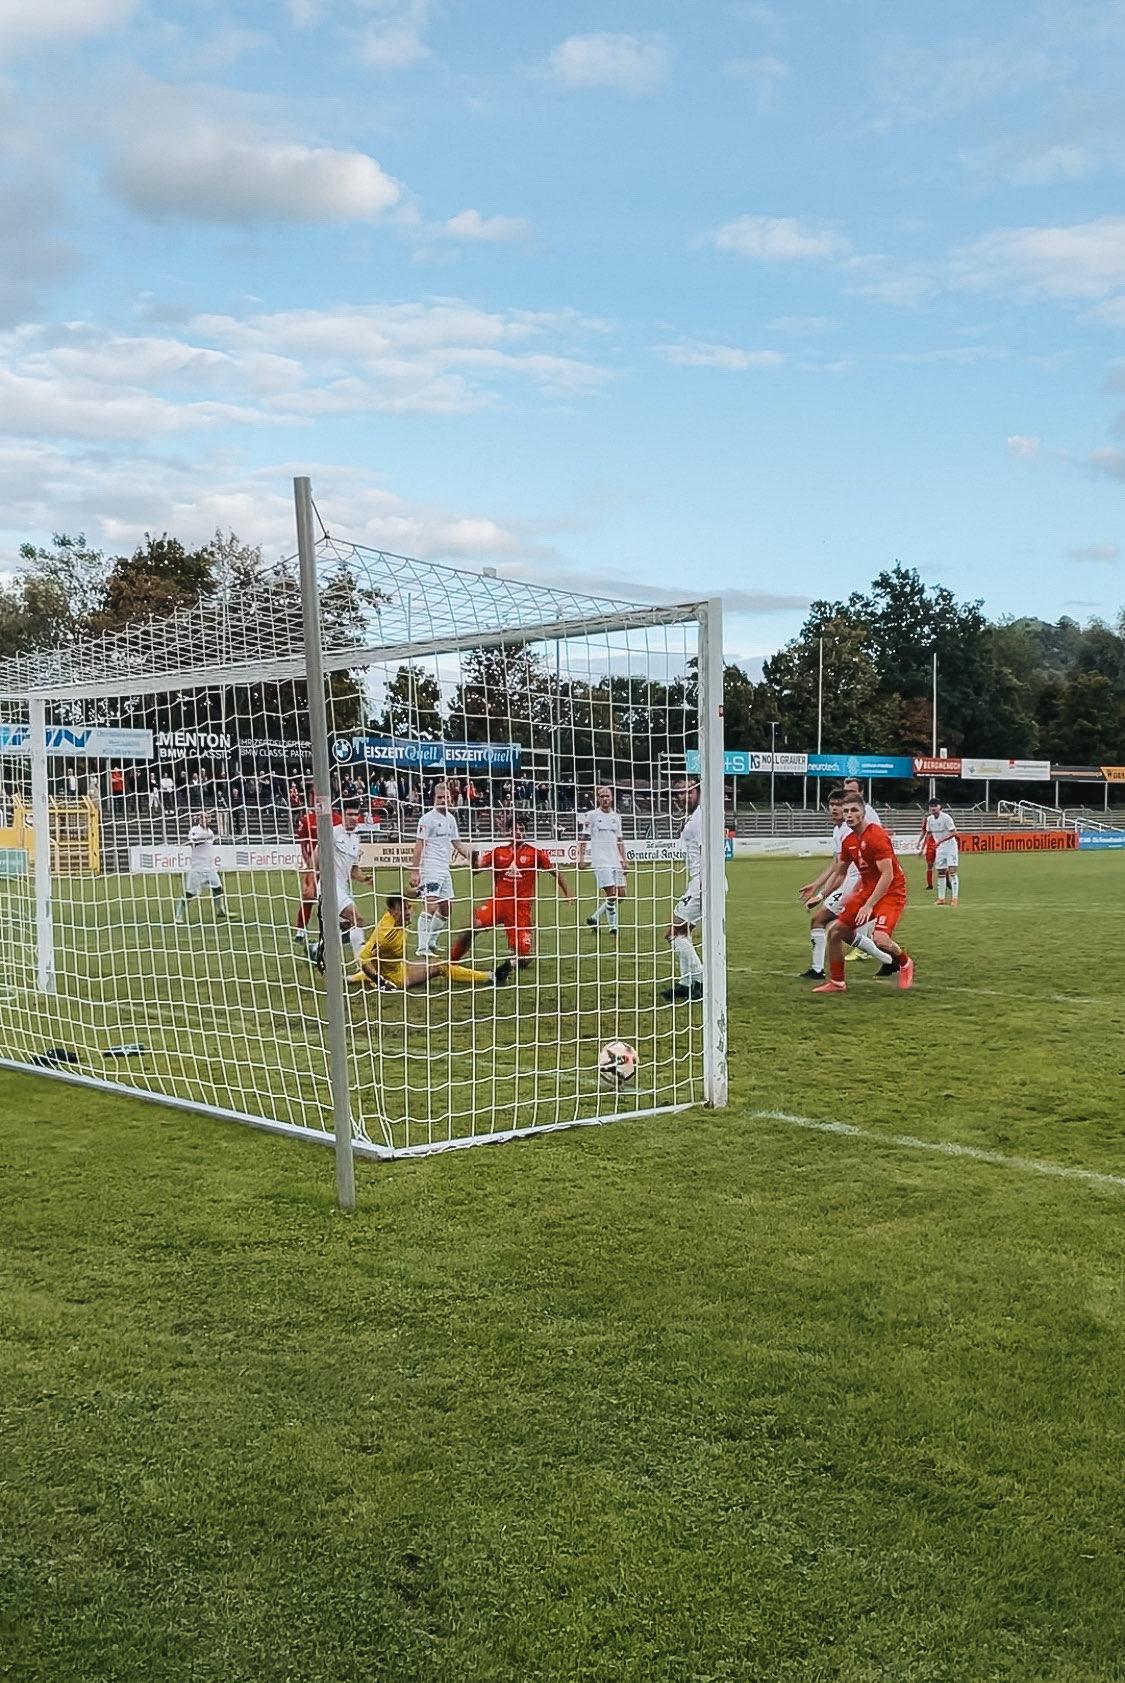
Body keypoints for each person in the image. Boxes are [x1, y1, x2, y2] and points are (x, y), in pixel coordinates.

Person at [811, 795, 914, 993]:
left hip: (891, 891)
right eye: (846, 811)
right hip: (868, 890)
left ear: (863, 813)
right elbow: (840, 873)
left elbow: (887, 874)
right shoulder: (848, 841)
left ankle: (905, 963)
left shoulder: (877, 836)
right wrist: (821, 894)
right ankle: (837, 982)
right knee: (835, 932)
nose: (849, 815)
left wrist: (869, 905)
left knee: (880, 939)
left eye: (854, 810)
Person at [450, 815, 571, 970]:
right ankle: (452, 961)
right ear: (508, 831)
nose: (518, 832)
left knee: (523, 959)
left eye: (522, 829)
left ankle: (511, 962)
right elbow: (476, 870)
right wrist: (473, 859)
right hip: (499, 902)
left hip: (521, 908)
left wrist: (567, 894)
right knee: (473, 925)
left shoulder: (535, 853)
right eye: (515, 829)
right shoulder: (498, 852)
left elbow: (556, 872)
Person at [798, 789, 887, 978]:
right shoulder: (838, 830)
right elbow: (837, 865)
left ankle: (818, 970)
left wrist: (822, 894)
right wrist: (816, 886)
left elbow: (845, 868)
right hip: (848, 883)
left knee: (824, 923)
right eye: (831, 805)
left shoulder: (849, 830)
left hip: (855, 885)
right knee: (839, 930)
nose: (834, 809)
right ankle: (889, 960)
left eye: (839, 805)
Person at [347, 895, 511, 991]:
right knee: (441, 966)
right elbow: (363, 959)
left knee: (419, 963)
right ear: (391, 911)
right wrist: (381, 982)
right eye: (403, 910)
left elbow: (406, 895)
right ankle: (491, 977)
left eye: (409, 907)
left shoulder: (395, 917)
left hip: (397, 966)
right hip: (396, 978)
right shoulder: (386, 934)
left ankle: (352, 978)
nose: (408, 912)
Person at [411, 779, 474, 957]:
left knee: (446, 908)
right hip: (430, 868)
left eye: (445, 797)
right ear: (434, 799)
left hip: (444, 869)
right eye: (439, 797)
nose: (442, 800)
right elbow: (418, 846)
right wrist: (415, 871)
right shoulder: (427, 819)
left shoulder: (451, 819)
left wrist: (474, 857)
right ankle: (421, 948)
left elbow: (457, 844)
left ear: (450, 799)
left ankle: (431, 942)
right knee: (430, 905)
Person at [663, 780, 705, 1004]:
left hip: (703, 882)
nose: (682, 796)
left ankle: (700, 979)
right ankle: (686, 983)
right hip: (699, 882)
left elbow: (706, 852)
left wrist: (702, 885)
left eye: (688, 791)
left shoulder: (700, 819)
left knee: (672, 932)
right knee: (683, 933)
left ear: (698, 791)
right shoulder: (696, 817)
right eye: (678, 793)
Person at [314, 806, 368, 968]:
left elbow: (353, 870)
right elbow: (316, 855)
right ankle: (362, 965)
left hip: (342, 888)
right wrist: (313, 878)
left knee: (338, 928)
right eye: (350, 814)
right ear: (342, 815)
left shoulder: (356, 839)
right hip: (329, 887)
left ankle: (315, 949)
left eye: (356, 814)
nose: (353, 818)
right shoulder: (333, 833)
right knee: (357, 918)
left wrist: (364, 878)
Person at [579, 784, 628, 936]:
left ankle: (595, 917)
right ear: (597, 799)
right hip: (601, 861)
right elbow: (583, 838)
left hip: (615, 860)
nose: (605, 798)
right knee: (612, 894)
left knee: (621, 895)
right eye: (602, 796)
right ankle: (614, 928)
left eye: (607, 796)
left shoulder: (616, 817)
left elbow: (619, 840)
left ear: (612, 798)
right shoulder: (591, 816)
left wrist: (624, 859)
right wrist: (581, 858)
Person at [293, 802, 339, 944]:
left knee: (336, 896)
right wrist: (309, 863)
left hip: (332, 865)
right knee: (308, 896)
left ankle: (342, 928)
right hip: (314, 865)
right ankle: (301, 930)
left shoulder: (337, 819)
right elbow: (303, 844)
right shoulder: (307, 819)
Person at [173, 811, 229, 924]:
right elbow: (193, 840)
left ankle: (220, 910)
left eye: (207, 818)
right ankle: (178, 915)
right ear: (200, 819)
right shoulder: (195, 829)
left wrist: (207, 836)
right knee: (190, 894)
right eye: (204, 818)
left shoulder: (210, 831)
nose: (206, 820)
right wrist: (204, 837)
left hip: (209, 867)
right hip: (197, 868)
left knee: (218, 888)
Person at [924, 797, 960, 905]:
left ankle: (954, 898)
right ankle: (941, 898)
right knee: (940, 872)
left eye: (935, 806)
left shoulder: (946, 818)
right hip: (939, 848)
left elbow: (954, 832)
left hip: (950, 847)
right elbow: (928, 833)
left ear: (940, 807)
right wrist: (925, 846)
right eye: (931, 806)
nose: (933, 808)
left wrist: (940, 841)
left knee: (952, 871)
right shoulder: (929, 819)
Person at [918, 808, 938, 891]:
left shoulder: (942, 819)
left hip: (939, 844)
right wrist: (920, 843)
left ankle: (946, 881)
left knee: (943, 864)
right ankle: (930, 884)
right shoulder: (928, 820)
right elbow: (924, 833)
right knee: (930, 865)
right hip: (930, 845)